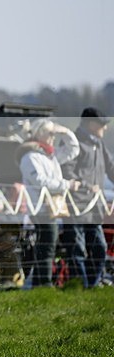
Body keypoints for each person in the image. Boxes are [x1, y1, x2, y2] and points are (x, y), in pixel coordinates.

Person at [16, 118, 81, 288]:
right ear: (39, 134)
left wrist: (65, 132)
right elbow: (40, 181)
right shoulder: (30, 157)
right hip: (40, 208)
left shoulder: (49, 155)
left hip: (49, 207)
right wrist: (66, 184)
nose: (53, 136)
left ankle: (38, 282)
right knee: (47, 245)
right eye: (49, 133)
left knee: (46, 244)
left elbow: (73, 150)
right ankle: (43, 282)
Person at [61, 107, 114, 289]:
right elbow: (66, 171)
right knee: (77, 249)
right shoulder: (72, 144)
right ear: (91, 124)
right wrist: (85, 185)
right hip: (75, 207)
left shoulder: (99, 145)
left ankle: (91, 285)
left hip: (94, 208)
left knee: (99, 248)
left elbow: (111, 168)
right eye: (102, 124)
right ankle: (80, 286)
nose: (104, 128)